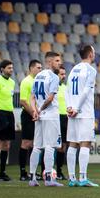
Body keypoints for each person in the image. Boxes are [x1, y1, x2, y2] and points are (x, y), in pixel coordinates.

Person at [28, 51, 63, 187]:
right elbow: (50, 98)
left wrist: (35, 111)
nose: (59, 63)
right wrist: (40, 109)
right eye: (57, 61)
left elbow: (32, 97)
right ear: (49, 62)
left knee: (37, 146)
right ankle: (49, 178)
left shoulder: (37, 77)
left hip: (40, 116)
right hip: (50, 116)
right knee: (50, 146)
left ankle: (32, 178)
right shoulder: (53, 77)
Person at [65, 45, 98, 187]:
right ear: (90, 54)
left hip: (72, 111)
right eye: (94, 52)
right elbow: (85, 91)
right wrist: (77, 108)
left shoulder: (73, 69)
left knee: (72, 143)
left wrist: (69, 107)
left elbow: (66, 90)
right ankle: (83, 178)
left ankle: (72, 178)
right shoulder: (90, 70)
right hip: (83, 111)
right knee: (85, 143)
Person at [18, 59, 42, 181]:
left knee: (34, 144)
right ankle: (22, 173)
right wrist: (33, 112)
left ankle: (33, 172)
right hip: (28, 114)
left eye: (41, 68)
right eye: (38, 67)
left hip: (35, 114)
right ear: (31, 68)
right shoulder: (26, 81)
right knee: (26, 143)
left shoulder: (37, 81)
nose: (40, 70)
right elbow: (23, 101)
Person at [55, 66, 68, 180]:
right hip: (55, 117)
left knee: (63, 146)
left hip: (65, 117)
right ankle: (46, 171)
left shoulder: (65, 88)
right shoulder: (52, 86)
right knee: (51, 145)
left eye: (64, 74)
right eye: (61, 74)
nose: (63, 76)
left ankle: (59, 171)